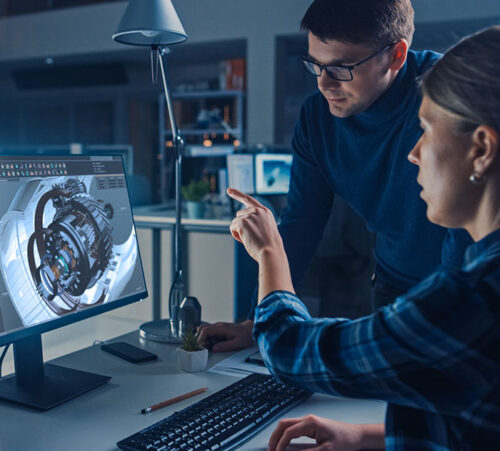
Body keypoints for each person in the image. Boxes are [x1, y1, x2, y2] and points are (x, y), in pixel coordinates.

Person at [227, 26, 500, 450]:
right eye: (316, 66)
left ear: (482, 149)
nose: (414, 153)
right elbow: (476, 420)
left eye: (426, 129)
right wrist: (368, 437)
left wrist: (268, 251)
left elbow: (288, 349)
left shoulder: (472, 301)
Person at [198, 0, 471, 352]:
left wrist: (456, 318)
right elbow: (301, 222)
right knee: (382, 401)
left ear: (396, 56)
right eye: (316, 65)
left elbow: (466, 229)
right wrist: (257, 320)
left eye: (342, 68)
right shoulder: (317, 120)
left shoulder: (448, 99)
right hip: (393, 283)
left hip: (463, 285)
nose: (325, 84)